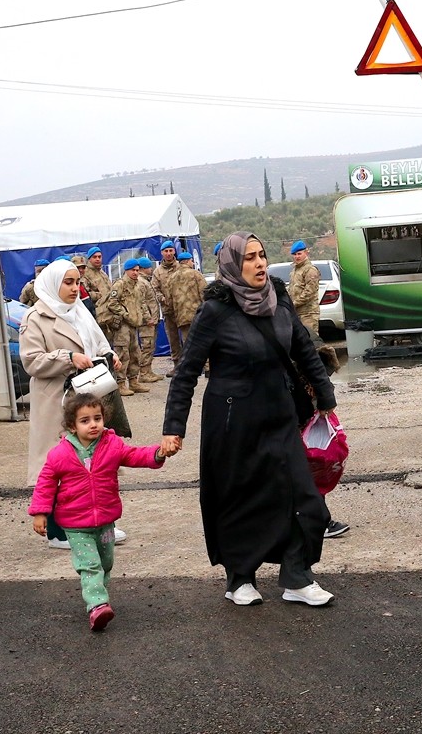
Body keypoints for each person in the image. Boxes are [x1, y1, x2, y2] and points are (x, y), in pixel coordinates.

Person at [162, 232, 337, 608]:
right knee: (240, 499)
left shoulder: (279, 299)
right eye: (250, 258)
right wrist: (173, 428)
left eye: (262, 256)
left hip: (280, 414)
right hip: (232, 421)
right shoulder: (216, 310)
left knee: (301, 495)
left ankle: (297, 576)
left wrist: (325, 397)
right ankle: (239, 575)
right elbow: (187, 370)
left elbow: (304, 350)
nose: (259, 264)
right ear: (232, 265)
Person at [28, 393, 170, 631]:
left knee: (105, 562)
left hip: (105, 521)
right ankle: (97, 604)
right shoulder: (60, 454)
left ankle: (97, 592)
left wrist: (157, 454)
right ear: (72, 426)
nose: (93, 424)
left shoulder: (112, 445)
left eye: (97, 418)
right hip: (75, 524)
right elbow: (46, 483)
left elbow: (134, 455)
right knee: (90, 564)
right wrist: (40, 512)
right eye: (85, 420)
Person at [19, 259, 128, 550]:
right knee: (62, 464)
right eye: (67, 283)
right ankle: (57, 531)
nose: (74, 288)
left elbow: (96, 341)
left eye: (75, 282)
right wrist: (67, 358)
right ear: (53, 284)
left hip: (88, 398)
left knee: (95, 460)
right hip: (57, 399)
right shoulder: (36, 317)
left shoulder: (79, 311)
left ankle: (101, 526)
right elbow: (31, 360)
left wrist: (109, 354)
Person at [100, 259, 148, 396]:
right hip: (122, 325)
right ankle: (120, 383)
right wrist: (125, 314)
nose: (135, 272)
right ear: (126, 270)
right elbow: (112, 303)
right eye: (132, 270)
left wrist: (144, 317)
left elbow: (141, 303)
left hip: (134, 324)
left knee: (135, 352)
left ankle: (133, 381)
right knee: (122, 353)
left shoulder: (139, 285)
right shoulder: (120, 284)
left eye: (137, 270)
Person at [163, 253, 209, 370]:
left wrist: (172, 316)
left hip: (182, 317)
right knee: (202, 341)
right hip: (197, 315)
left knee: (188, 344)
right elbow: (205, 293)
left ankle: (191, 368)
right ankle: (207, 366)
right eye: (191, 261)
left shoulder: (171, 278)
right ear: (188, 261)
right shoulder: (196, 274)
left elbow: (169, 300)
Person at [151, 241, 181, 373]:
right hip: (168, 310)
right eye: (166, 251)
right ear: (162, 253)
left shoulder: (181, 267)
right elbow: (154, 289)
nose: (168, 253)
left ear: (174, 251)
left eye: (170, 250)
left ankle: (192, 365)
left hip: (183, 309)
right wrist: (163, 299)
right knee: (173, 339)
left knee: (189, 337)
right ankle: (177, 365)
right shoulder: (158, 272)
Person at [135, 257, 163, 383]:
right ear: (144, 268)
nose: (151, 269)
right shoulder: (141, 282)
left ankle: (148, 370)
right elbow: (142, 303)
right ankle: (144, 373)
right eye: (149, 267)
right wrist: (148, 318)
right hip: (147, 321)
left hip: (153, 319)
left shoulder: (146, 281)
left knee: (151, 345)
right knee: (147, 346)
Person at [288, 240, 321, 335]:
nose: (297, 257)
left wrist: (293, 304)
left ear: (306, 253)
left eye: (299, 253)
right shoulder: (294, 271)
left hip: (308, 313)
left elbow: (309, 292)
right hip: (296, 313)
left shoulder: (310, 270)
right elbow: (292, 289)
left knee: (311, 340)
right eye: (294, 254)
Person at [69, 253, 96, 320]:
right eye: (78, 268)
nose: (81, 270)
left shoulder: (84, 282)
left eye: (83, 267)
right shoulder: (69, 285)